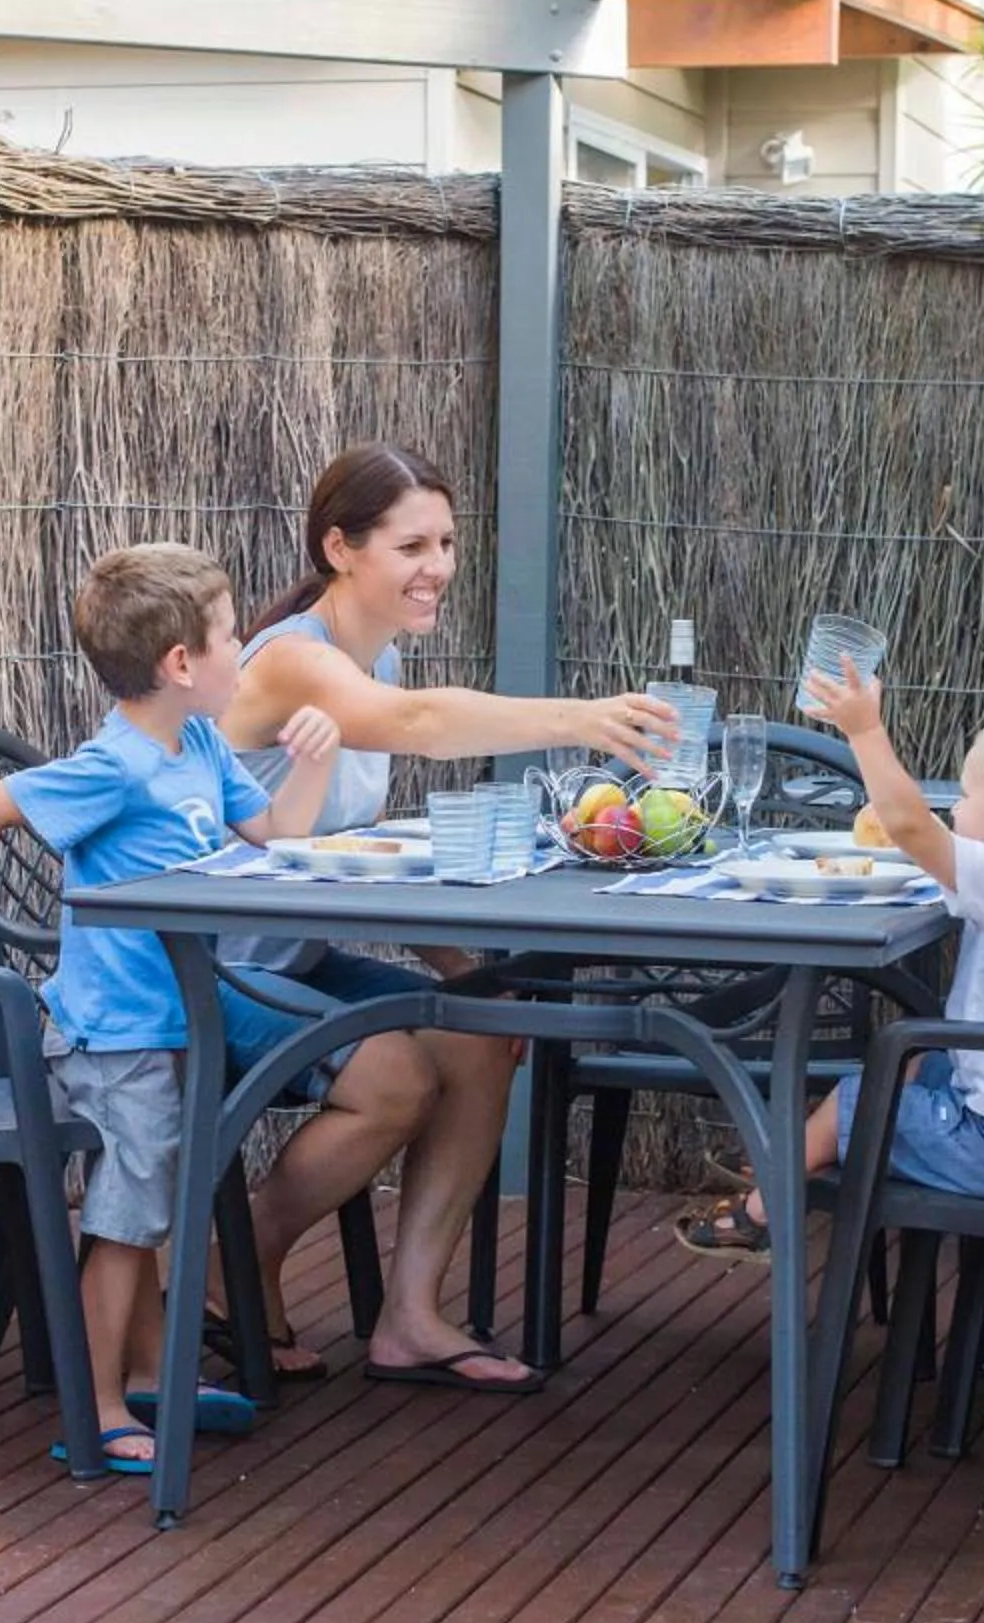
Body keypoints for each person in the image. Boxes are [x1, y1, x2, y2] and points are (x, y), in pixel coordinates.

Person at [214, 442, 681, 1392]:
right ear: (340, 548)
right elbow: (421, 724)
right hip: (201, 964)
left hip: (288, 956)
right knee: (390, 1077)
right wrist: (579, 718)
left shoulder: (367, 652)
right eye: (413, 545)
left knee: (479, 1034)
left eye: (448, 543)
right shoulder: (295, 662)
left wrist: (464, 970)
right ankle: (231, 1255)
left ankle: (411, 1318)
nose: (439, 568)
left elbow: (357, 853)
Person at [0, 542, 343, 1475]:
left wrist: (314, 761)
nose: (245, 647)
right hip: (116, 1036)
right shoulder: (115, 768)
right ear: (181, 665)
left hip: (176, 1018)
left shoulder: (197, 747)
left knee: (147, 1207)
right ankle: (97, 1409)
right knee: (124, 1222)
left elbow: (276, 840)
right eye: (232, 635)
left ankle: (150, 1378)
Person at [679, 670, 984, 1251]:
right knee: (915, 1065)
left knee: (852, 1100)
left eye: (967, 798)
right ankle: (793, 1154)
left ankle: (764, 1208)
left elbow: (911, 825)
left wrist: (865, 729)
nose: (957, 810)